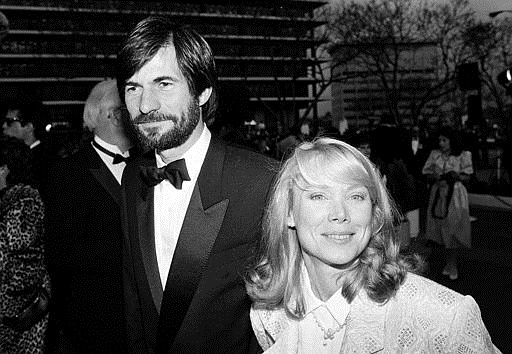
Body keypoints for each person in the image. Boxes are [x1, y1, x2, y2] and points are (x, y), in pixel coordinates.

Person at [245, 137, 501, 353]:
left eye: (356, 196)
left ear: (374, 214)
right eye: (318, 196)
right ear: (289, 212)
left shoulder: (446, 318)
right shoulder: (269, 312)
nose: (340, 213)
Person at [115, 16, 277, 353]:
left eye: (164, 84)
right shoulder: (133, 178)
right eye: (133, 87)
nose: (145, 105)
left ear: (202, 91)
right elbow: (135, 304)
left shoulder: (261, 181)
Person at [44, 79, 136, 353]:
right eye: (132, 108)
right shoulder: (68, 173)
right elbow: (61, 255)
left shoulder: (148, 167)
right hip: (92, 322)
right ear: (114, 115)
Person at [0, 136, 50, 353]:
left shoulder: (24, 203)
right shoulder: (10, 201)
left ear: (3, 168)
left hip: (17, 316)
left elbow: (26, 265)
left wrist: (9, 308)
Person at [422, 126, 473, 281]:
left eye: (444, 140)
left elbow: (468, 176)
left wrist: (456, 176)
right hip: (439, 194)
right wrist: (435, 177)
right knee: (441, 230)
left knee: (453, 230)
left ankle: (453, 264)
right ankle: (448, 263)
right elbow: (426, 173)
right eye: (440, 140)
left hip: (455, 196)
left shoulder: (463, 155)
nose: (441, 143)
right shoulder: (435, 154)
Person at [2, 99, 54, 199]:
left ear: (28, 127)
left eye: (9, 122)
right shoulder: (11, 154)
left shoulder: (43, 162)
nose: (4, 126)